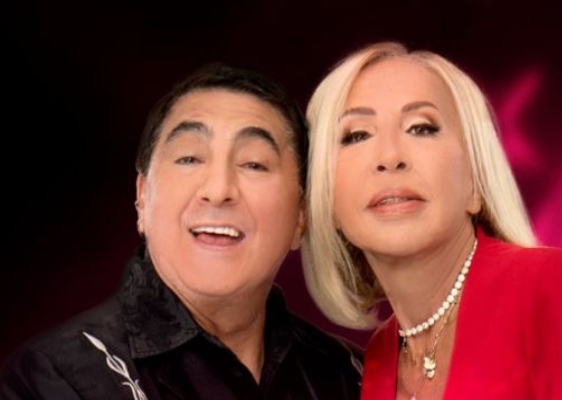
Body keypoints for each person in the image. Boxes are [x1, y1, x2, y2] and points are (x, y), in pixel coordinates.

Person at [301, 41, 562, 399]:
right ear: (325, 198)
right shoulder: (377, 359)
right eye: (356, 135)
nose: (390, 157)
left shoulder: (553, 288)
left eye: (421, 128)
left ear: (474, 180)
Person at [0, 62, 363, 400]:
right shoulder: (53, 378)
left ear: (302, 215)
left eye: (254, 164)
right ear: (142, 197)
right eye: (189, 158)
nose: (218, 189)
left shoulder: (350, 376)